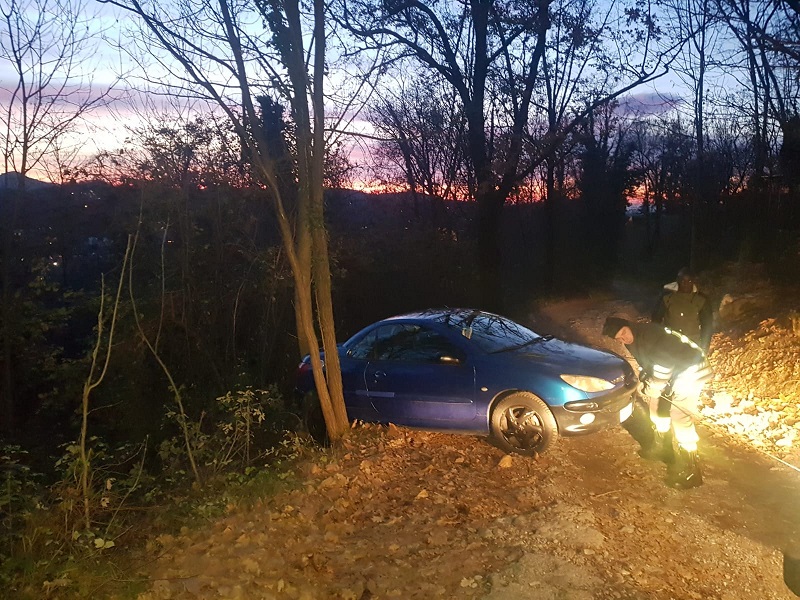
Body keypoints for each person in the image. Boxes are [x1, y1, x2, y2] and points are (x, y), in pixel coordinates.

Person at [603, 316, 712, 489]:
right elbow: (647, 364)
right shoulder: (633, 340)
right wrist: (648, 381)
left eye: (623, 333)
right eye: (619, 339)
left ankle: (692, 470)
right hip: (675, 372)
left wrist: (655, 385)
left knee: (679, 417)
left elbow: (664, 364)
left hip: (692, 370)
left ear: (628, 325)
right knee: (655, 404)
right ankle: (663, 448)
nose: (624, 339)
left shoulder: (651, 334)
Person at [652, 268, 713, 352]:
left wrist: (704, 348)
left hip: (692, 345)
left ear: (693, 282)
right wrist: (657, 340)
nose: (686, 284)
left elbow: (707, 326)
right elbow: (656, 319)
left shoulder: (701, 301)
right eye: (683, 281)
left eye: (689, 281)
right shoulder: (667, 298)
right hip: (670, 344)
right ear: (678, 281)